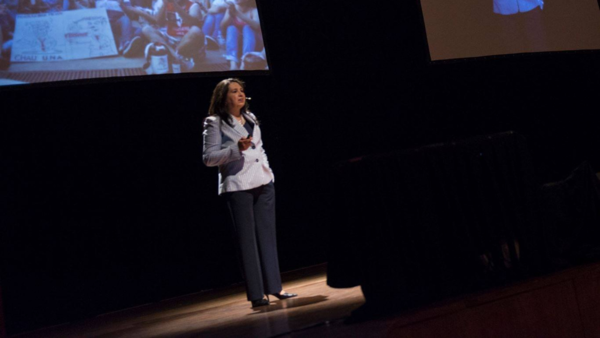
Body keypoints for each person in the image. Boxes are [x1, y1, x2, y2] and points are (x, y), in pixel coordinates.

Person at [202, 78, 297, 308]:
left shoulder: (251, 117)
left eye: (241, 90)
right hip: (238, 184)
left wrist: (269, 171)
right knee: (247, 241)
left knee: (267, 237)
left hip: (263, 181)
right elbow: (208, 158)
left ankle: (275, 287)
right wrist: (236, 149)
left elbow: (259, 148)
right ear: (224, 97)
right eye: (234, 91)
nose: (240, 94)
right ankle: (256, 294)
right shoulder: (214, 122)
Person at [140, 0, 206, 71]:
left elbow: (192, 22)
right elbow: (159, 23)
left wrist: (175, 5)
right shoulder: (165, 4)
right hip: (170, 40)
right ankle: (175, 55)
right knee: (146, 29)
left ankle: (171, 55)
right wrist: (164, 5)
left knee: (196, 30)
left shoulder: (193, 5)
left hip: (187, 40)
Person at [220, 0, 261, 70]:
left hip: (253, 45)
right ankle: (233, 63)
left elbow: (257, 26)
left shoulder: (253, 10)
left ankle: (244, 62)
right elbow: (222, 27)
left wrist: (237, 13)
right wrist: (230, 14)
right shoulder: (232, 8)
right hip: (237, 45)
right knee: (231, 28)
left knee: (247, 28)